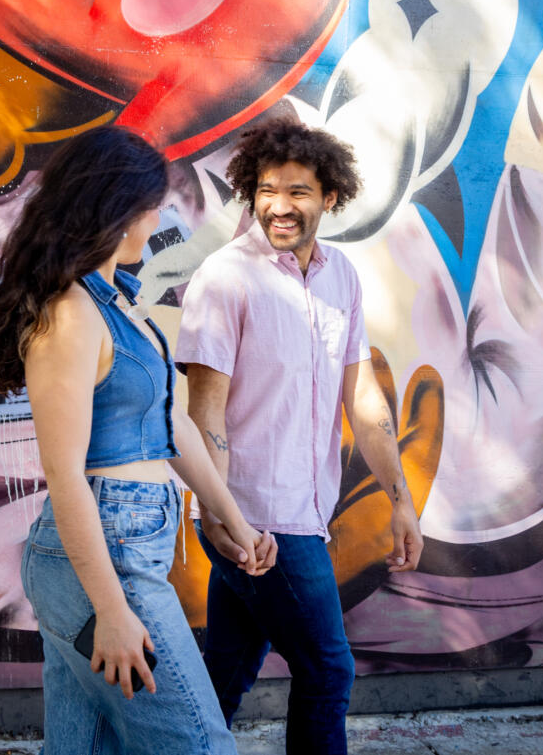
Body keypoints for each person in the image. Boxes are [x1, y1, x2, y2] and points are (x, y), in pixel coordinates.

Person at [0, 127, 277, 754]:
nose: (159, 220)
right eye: (153, 206)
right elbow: (66, 474)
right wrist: (110, 609)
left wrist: (234, 521)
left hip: (124, 546)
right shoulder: (71, 314)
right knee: (200, 745)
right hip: (107, 558)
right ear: (120, 209)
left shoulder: (114, 306)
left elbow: (173, 425)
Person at [177, 116, 424, 755]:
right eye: (266, 190)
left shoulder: (341, 276)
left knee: (225, 674)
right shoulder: (226, 278)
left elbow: (362, 398)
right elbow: (204, 414)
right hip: (259, 520)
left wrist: (400, 500)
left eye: (297, 192)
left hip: (304, 514)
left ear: (329, 197)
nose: (279, 206)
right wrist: (219, 519)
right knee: (328, 669)